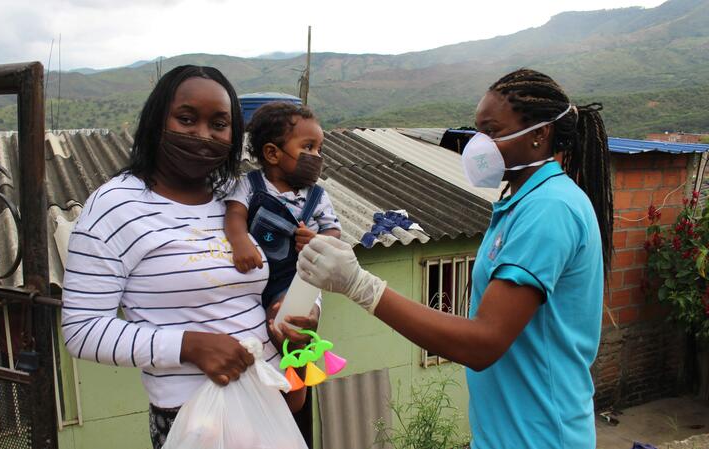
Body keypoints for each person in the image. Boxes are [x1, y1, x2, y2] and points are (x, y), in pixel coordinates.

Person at [296, 68, 613, 449]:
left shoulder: (550, 209)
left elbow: (483, 342)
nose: (478, 144)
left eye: (492, 132)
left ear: (539, 136)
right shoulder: (524, 203)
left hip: (541, 438)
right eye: (477, 130)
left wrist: (360, 285)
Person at [60, 65, 316, 449]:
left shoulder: (239, 196)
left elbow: (287, 274)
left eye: (219, 124)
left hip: (274, 395)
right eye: (186, 119)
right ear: (156, 121)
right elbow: (82, 330)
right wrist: (189, 346)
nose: (203, 134)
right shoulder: (116, 206)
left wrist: (298, 312)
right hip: (195, 417)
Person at [224, 102, 342, 316]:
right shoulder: (249, 185)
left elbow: (333, 231)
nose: (316, 156)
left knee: (294, 316)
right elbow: (235, 213)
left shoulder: (317, 196)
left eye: (319, 149)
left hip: (297, 279)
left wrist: (317, 240)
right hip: (252, 274)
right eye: (308, 147)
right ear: (272, 153)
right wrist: (239, 240)